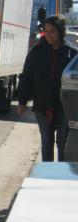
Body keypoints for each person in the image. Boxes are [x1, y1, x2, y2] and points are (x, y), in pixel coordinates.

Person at [18, 16, 77, 161]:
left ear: (60, 32)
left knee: (63, 141)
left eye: (52, 32)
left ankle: (62, 175)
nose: (49, 35)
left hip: (64, 106)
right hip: (42, 105)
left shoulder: (71, 54)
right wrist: (22, 101)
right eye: (46, 32)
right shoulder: (36, 52)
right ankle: (47, 176)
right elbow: (26, 77)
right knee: (46, 141)